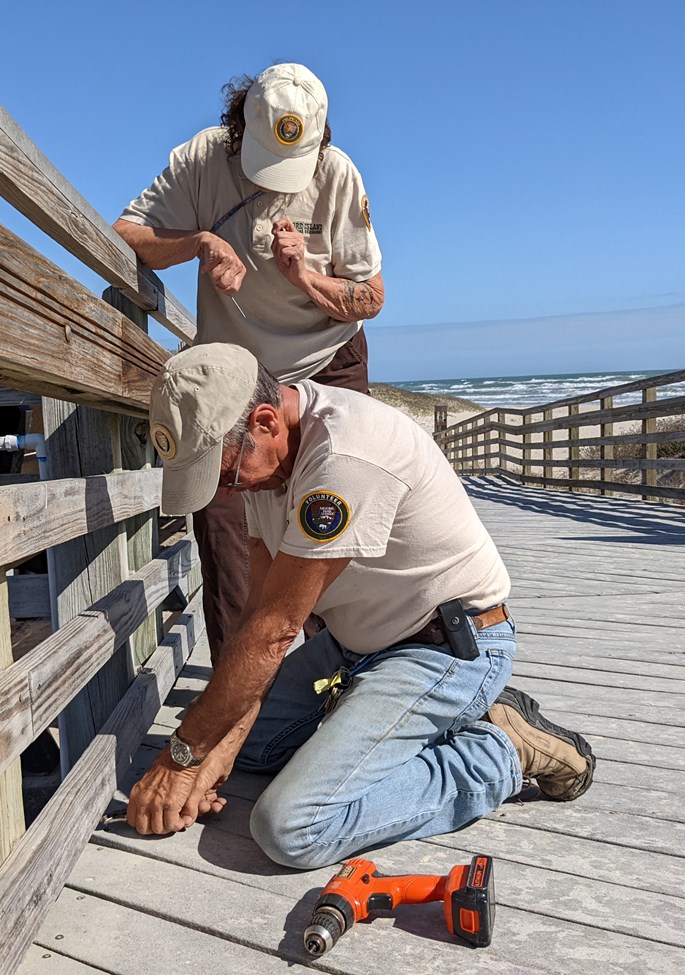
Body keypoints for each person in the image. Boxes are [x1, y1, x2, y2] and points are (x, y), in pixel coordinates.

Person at [127, 344, 595, 869]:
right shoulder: (266, 459)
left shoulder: (345, 454)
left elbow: (278, 631)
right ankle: (425, 723)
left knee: (291, 827)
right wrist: (213, 753)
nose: (224, 489)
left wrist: (180, 760)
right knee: (243, 752)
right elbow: (260, 617)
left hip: (445, 647)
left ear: (264, 421)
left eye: (226, 475)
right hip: (353, 648)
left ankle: (501, 753)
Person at [113, 63, 383, 665]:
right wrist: (199, 242)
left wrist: (306, 277)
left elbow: (372, 297)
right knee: (225, 525)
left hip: (327, 360)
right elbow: (127, 232)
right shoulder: (202, 159)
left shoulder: (338, 175)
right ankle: (239, 695)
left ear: (319, 139)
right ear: (237, 128)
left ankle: (338, 671)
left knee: (333, 520)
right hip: (236, 375)